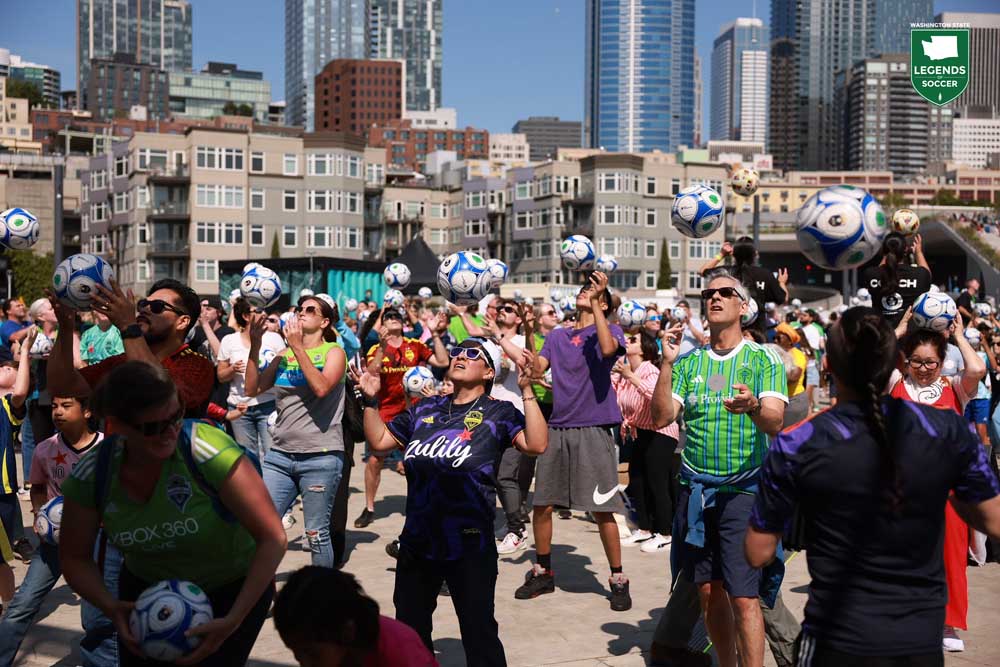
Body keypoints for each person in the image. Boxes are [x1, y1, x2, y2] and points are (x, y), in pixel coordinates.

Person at [746, 307, 1000, 666]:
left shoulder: (795, 441)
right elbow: (994, 520)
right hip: (915, 640)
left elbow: (757, 552)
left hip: (832, 637)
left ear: (828, 367)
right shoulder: (950, 432)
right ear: (898, 362)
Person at [59, 361, 287, 666]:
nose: (170, 432)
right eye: (154, 426)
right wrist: (110, 606)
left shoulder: (204, 448)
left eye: (176, 417)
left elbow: (272, 537)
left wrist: (234, 619)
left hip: (233, 591)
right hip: (145, 593)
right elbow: (74, 557)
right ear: (118, 425)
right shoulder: (93, 474)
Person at [357, 336, 546, 666]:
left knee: (478, 632)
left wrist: (528, 390)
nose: (460, 356)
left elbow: (536, 444)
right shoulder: (424, 409)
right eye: (458, 351)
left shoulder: (499, 412)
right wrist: (371, 402)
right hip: (417, 541)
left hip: (469, 544)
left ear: (489, 372)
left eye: (473, 354)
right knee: (410, 633)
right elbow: (379, 440)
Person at [650, 272, 788, 667]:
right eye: (708, 293)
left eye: (726, 293)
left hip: (744, 492)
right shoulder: (689, 361)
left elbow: (776, 421)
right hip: (696, 492)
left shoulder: (763, 359)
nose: (714, 298)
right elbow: (661, 417)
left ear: (743, 307)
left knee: (744, 596)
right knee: (709, 591)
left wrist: (755, 407)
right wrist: (665, 363)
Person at [516, 271, 634, 612]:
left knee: (602, 509)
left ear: (606, 303)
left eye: (595, 291)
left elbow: (609, 350)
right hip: (559, 427)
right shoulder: (556, 336)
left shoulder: (610, 330)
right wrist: (528, 328)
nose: (586, 291)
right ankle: (543, 570)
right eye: (585, 289)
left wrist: (599, 302)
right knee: (543, 503)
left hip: (594, 428)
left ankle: (618, 579)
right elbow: (536, 370)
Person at [888, 314, 985, 652]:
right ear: (907, 360)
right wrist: (898, 332)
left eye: (931, 362)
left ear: (942, 363)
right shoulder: (896, 384)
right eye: (917, 361)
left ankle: (948, 624)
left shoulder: (955, 387)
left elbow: (977, 370)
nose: (924, 367)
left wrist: (958, 336)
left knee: (950, 557)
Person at [0, 394, 113, 666]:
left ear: (87, 412)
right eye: (54, 406)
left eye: (66, 406)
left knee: (94, 616)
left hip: (95, 543)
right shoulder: (44, 449)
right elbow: (37, 488)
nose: (58, 412)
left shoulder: (108, 449)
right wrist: (40, 514)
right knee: (21, 605)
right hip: (54, 543)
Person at [244, 296, 348, 569]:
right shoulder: (283, 355)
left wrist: (298, 347)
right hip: (279, 455)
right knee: (261, 527)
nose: (301, 313)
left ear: (324, 322)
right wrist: (255, 345)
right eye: (299, 309)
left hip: (320, 456)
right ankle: (259, 592)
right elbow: (252, 389)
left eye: (310, 310)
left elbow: (322, 388)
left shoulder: (333, 352)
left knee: (315, 534)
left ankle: (319, 598)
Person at [47, 279, 215, 420]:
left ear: (182, 322)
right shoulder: (121, 362)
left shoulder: (199, 365)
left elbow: (160, 397)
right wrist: (65, 327)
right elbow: (62, 386)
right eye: (143, 304)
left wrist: (128, 326)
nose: (145, 309)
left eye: (157, 306)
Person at [354, 308, 448, 529]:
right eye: (389, 317)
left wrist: (434, 334)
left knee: (417, 461)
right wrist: (384, 346)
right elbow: (373, 372)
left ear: (404, 323)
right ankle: (369, 508)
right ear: (383, 324)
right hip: (386, 411)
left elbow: (442, 362)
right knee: (375, 460)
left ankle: (418, 503)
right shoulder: (378, 348)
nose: (393, 319)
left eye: (397, 317)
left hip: (414, 411)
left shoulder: (415, 345)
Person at [273, 566, 438, 667]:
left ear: (347, 632)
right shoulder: (335, 651)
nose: (304, 664)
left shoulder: (399, 649)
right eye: (296, 654)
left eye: (312, 654)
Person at [613, 330, 680, 553]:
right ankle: (645, 529)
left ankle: (666, 532)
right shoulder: (625, 371)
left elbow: (656, 395)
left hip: (661, 432)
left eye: (633, 340)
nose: (627, 341)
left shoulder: (650, 369)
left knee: (657, 483)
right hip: (641, 431)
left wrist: (630, 376)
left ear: (644, 349)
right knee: (638, 482)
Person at [217, 297, 286, 461]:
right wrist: (232, 369)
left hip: (269, 405)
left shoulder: (274, 338)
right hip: (239, 408)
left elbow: (283, 371)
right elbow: (221, 376)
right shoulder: (229, 340)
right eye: (259, 311)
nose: (264, 314)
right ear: (246, 316)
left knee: (272, 454)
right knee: (248, 457)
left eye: (264, 310)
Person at [700, 238, 789, 329]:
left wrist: (722, 254)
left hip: (730, 329)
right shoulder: (765, 274)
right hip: (757, 332)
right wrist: (782, 282)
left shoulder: (726, 272)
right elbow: (783, 299)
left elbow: (702, 271)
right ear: (755, 255)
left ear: (733, 254)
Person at [860, 233, 932, 327]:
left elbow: (879, 271)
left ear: (883, 251)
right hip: (908, 332)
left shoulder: (870, 273)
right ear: (906, 250)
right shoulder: (919, 274)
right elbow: (928, 275)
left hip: (881, 332)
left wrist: (886, 253)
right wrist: (918, 252)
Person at [774, 323, 809, 427]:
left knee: (790, 435)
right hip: (779, 399)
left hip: (793, 401)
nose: (775, 341)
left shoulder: (797, 355)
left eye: (779, 338)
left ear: (789, 340)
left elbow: (794, 376)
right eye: (774, 337)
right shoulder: (776, 353)